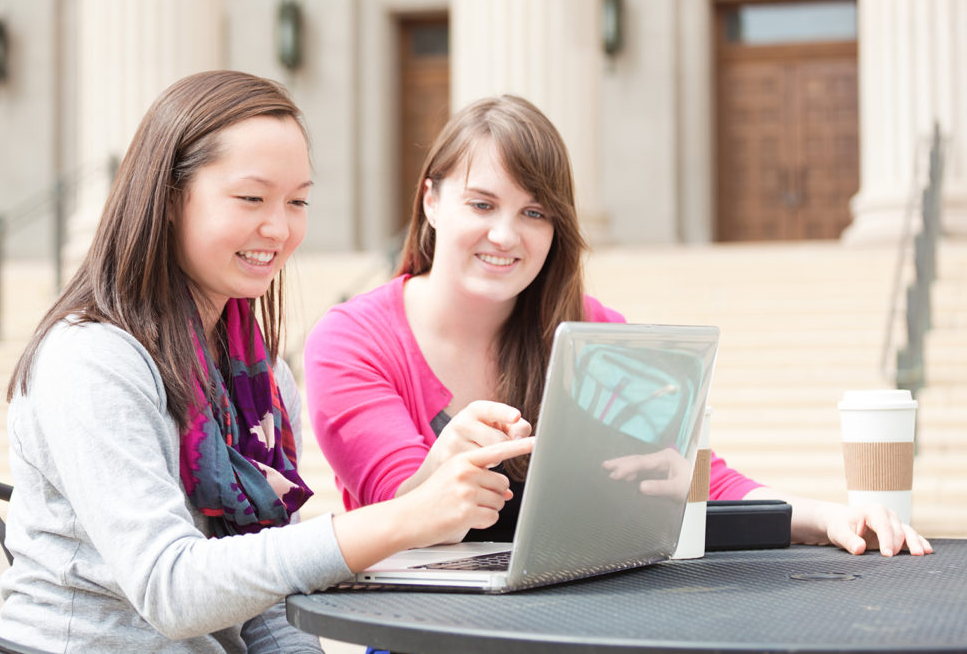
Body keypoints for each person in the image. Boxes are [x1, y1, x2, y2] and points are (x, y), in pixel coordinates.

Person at [0, 71, 533, 653]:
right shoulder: (92, 359)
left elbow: (271, 611)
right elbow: (172, 589)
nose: (279, 228)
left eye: (297, 201)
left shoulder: (261, 380)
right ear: (169, 198)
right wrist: (409, 517)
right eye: (251, 198)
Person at [304, 93, 932, 558]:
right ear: (431, 201)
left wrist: (823, 516)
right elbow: (393, 519)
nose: (505, 234)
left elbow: (698, 474)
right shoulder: (352, 340)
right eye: (481, 204)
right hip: (421, 627)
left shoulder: (588, 329)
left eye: (534, 212)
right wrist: (441, 466)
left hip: (574, 614)